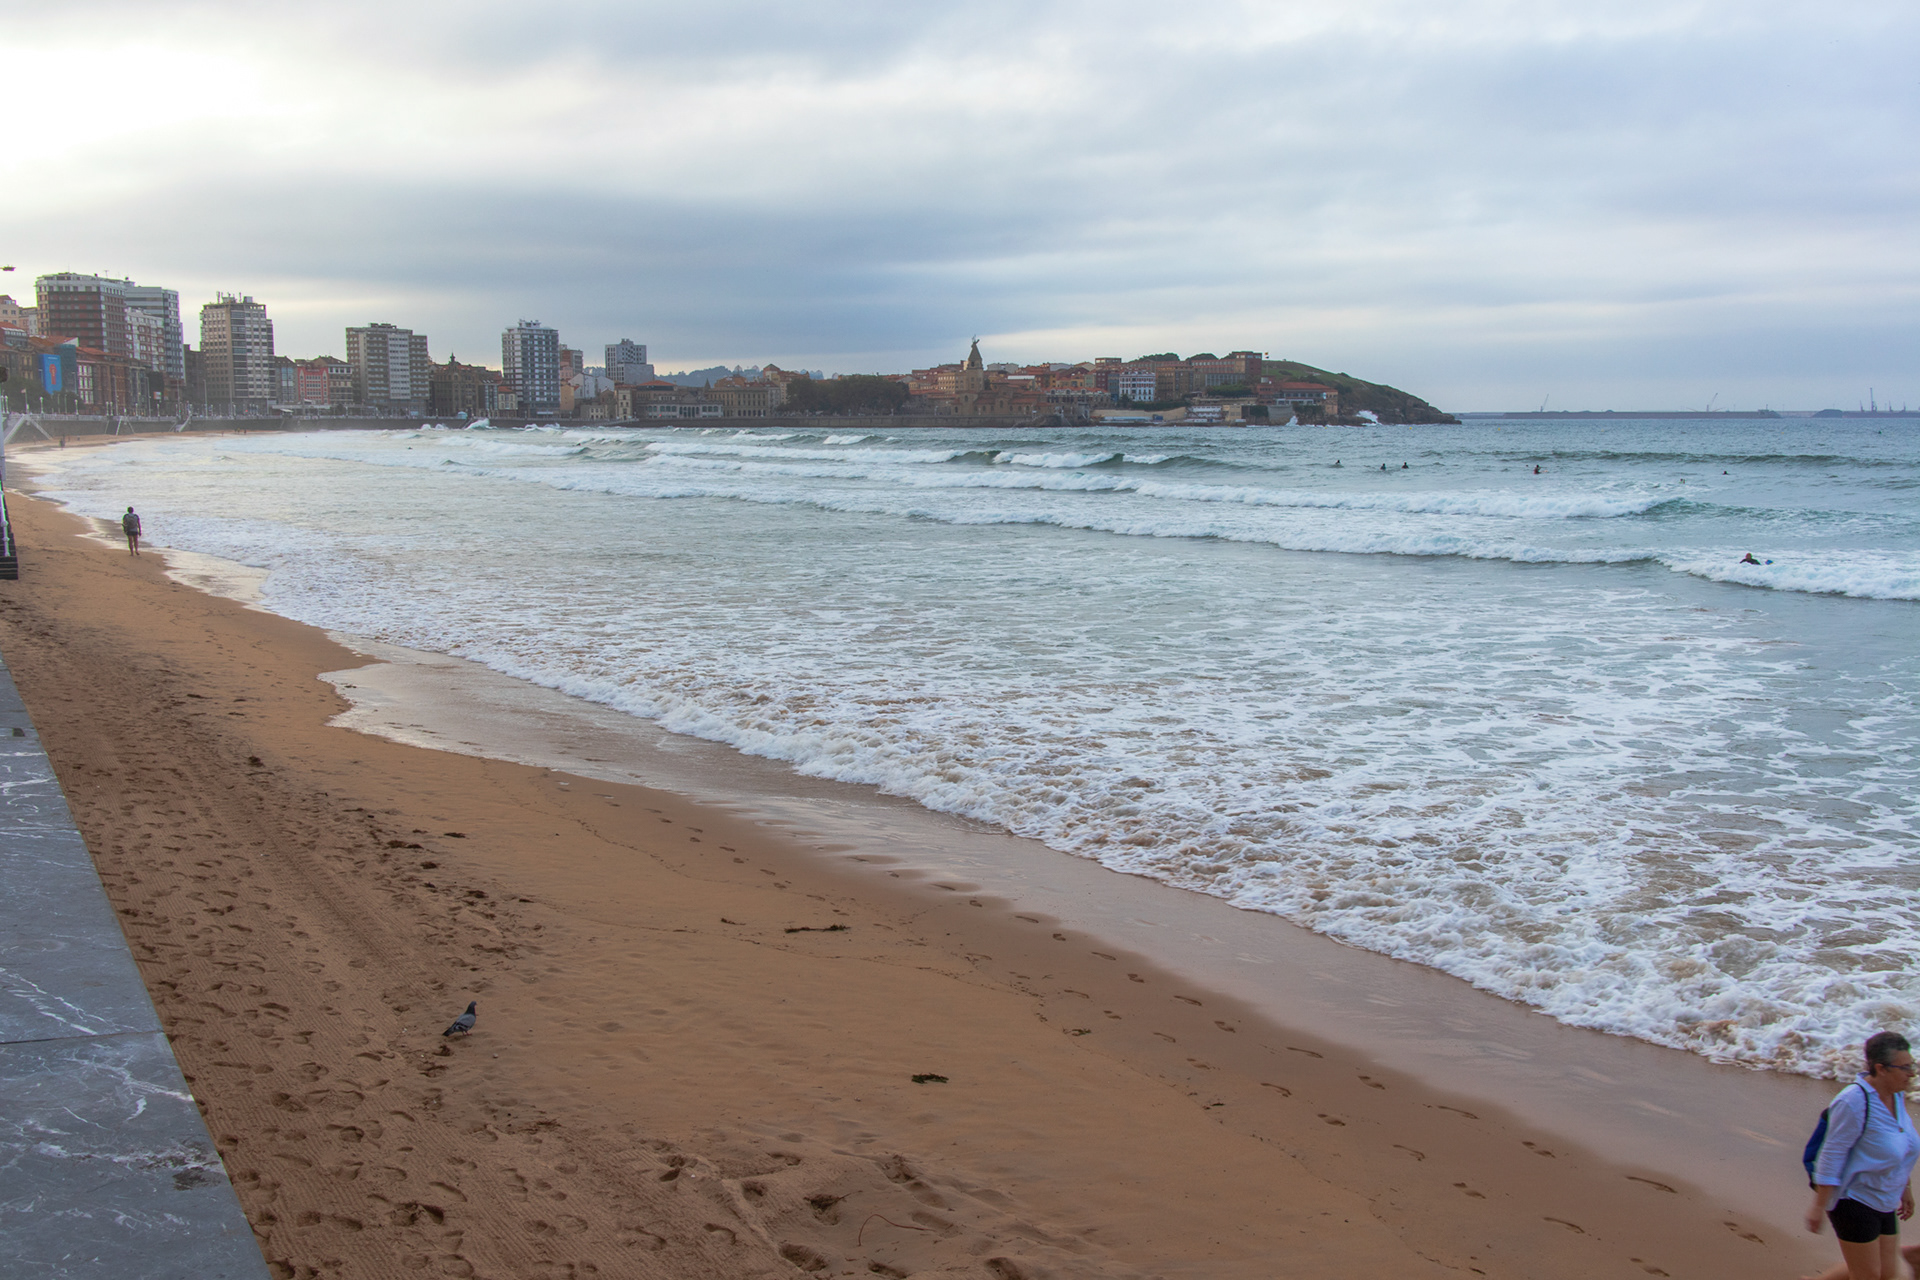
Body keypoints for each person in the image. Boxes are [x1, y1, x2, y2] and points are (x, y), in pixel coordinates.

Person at [1805, 1031, 1920, 1280]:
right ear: (1881, 1069)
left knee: (1888, 1273)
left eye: (1913, 1065)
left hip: (1884, 1199)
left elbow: (1902, 1144)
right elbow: (1830, 1156)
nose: (1912, 1073)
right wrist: (1818, 1207)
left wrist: (1905, 1186)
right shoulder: (1853, 1102)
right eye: (1906, 1067)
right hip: (1853, 1200)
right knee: (1867, 1275)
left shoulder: (1896, 1096)